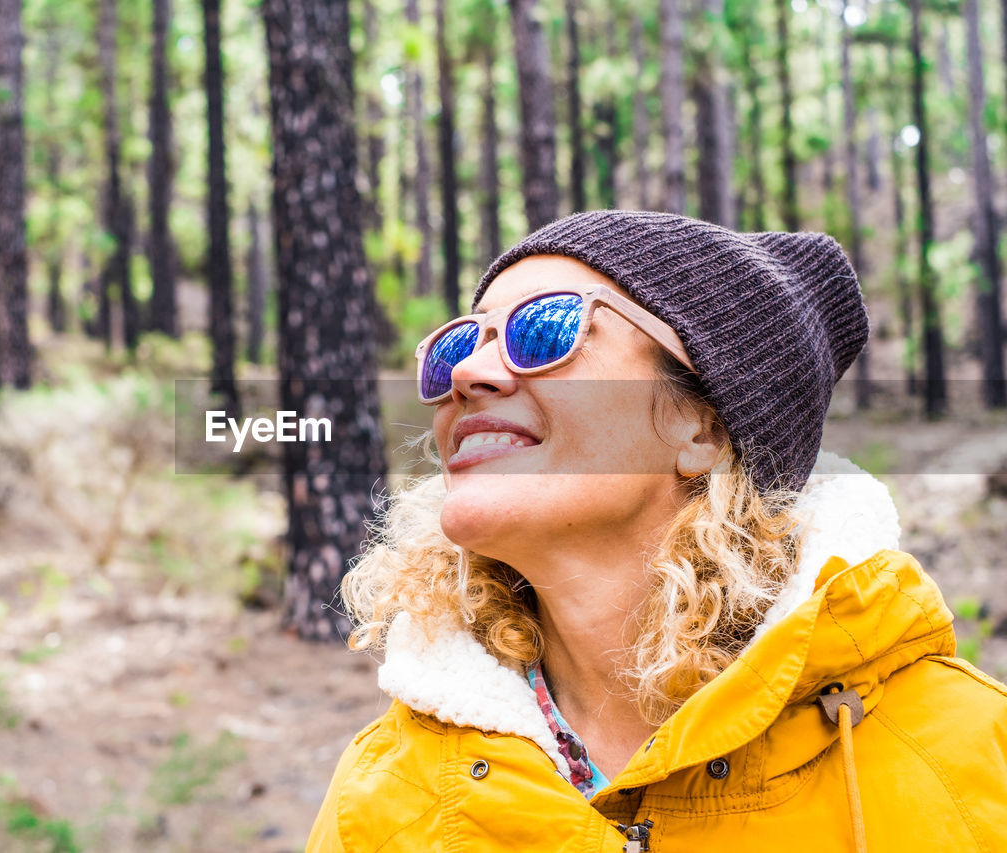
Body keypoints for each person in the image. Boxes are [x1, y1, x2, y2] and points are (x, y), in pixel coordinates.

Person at [306, 211, 1007, 852]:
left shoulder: (971, 755)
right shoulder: (380, 799)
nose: (467, 371)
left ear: (701, 425)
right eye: (458, 344)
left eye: (544, 328)